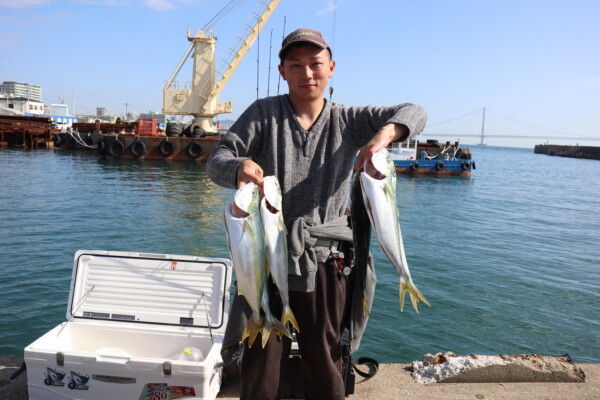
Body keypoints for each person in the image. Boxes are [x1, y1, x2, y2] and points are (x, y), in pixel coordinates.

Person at [207, 27, 427, 400]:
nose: (307, 73)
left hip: (327, 262)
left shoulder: (349, 120)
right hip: (266, 255)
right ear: (283, 72)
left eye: (315, 64)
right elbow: (217, 160)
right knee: (261, 359)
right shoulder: (263, 114)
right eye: (296, 65)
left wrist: (384, 135)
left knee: (324, 357)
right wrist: (240, 166)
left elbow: (415, 112)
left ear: (331, 68)